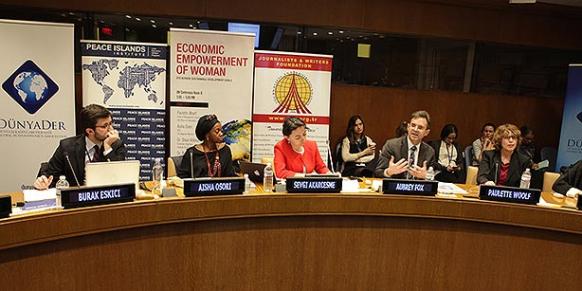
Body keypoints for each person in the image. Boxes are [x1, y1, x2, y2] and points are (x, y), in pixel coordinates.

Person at [33, 104, 126, 189]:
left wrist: (107, 148)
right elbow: (50, 174)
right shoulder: (67, 147)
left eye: (110, 123)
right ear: (90, 131)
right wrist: (42, 181)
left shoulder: (116, 145)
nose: (111, 129)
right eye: (105, 126)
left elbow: (121, 176)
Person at [375, 110, 435, 179]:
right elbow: (378, 172)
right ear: (408, 127)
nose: (415, 129)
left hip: (417, 188)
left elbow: (432, 178)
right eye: (413, 125)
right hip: (395, 188)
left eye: (420, 127)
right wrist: (388, 172)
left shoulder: (430, 152)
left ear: (426, 132)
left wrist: (426, 177)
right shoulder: (391, 145)